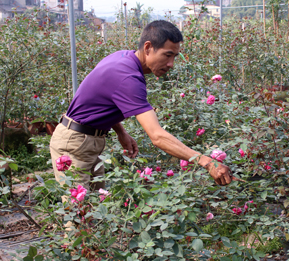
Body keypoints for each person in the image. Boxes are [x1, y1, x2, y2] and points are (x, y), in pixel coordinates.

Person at [49, 20, 233, 189]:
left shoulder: (123, 58)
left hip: (86, 139)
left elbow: (101, 100)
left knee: (92, 209)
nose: (171, 64)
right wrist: (207, 162)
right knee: (78, 214)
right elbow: (157, 136)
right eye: (167, 55)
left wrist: (121, 132)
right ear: (148, 47)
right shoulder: (128, 78)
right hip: (74, 143)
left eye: (175, 56)